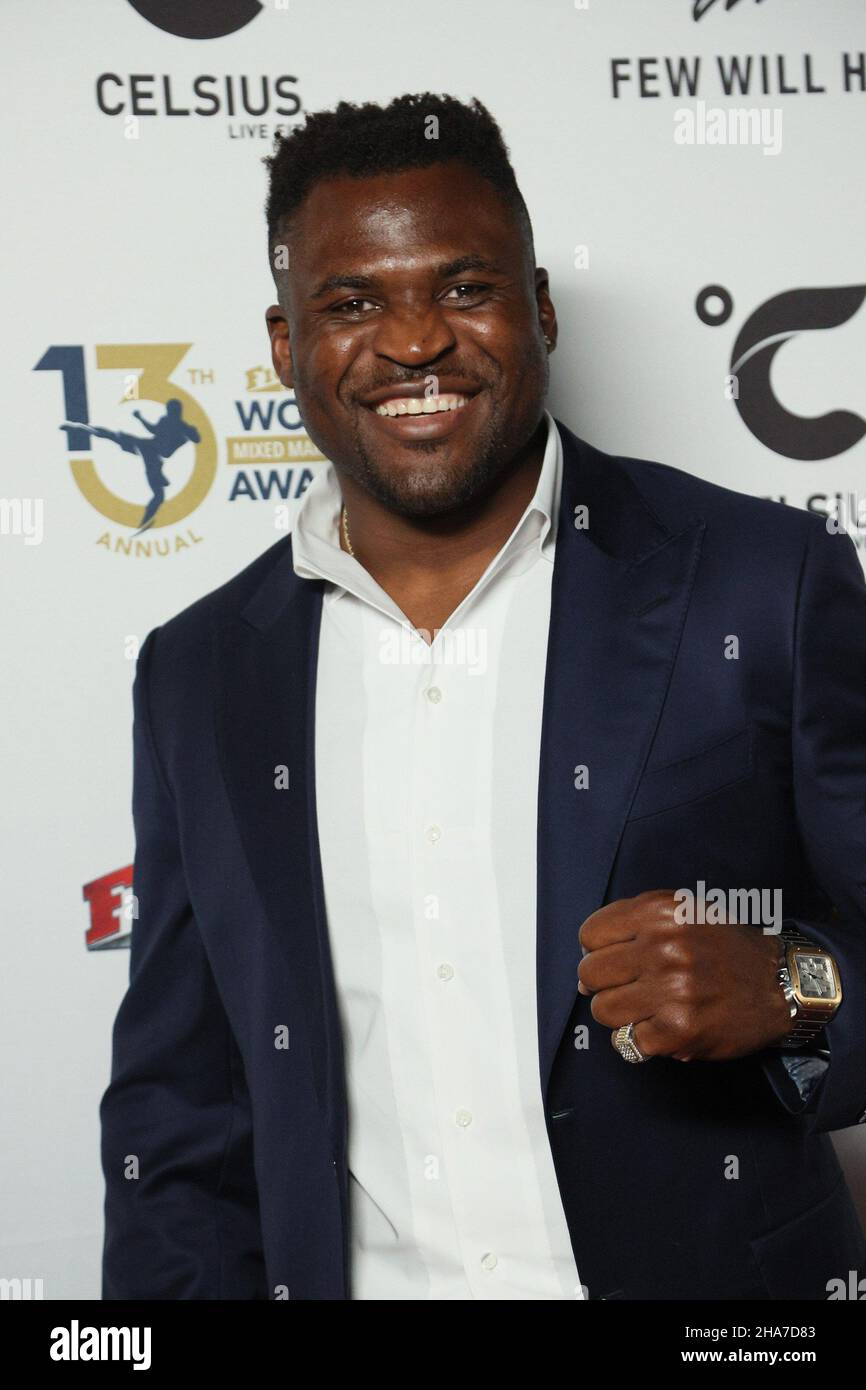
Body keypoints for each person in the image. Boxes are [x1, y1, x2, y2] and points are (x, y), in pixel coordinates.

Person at [100, 92, 866, 1301]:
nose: (413, 344)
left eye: (463, 289)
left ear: (539, 307)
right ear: (284, 345)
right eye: (351, 302)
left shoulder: (761, 582)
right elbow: (180, 1103)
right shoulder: (199, 673)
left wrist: (790, 985)